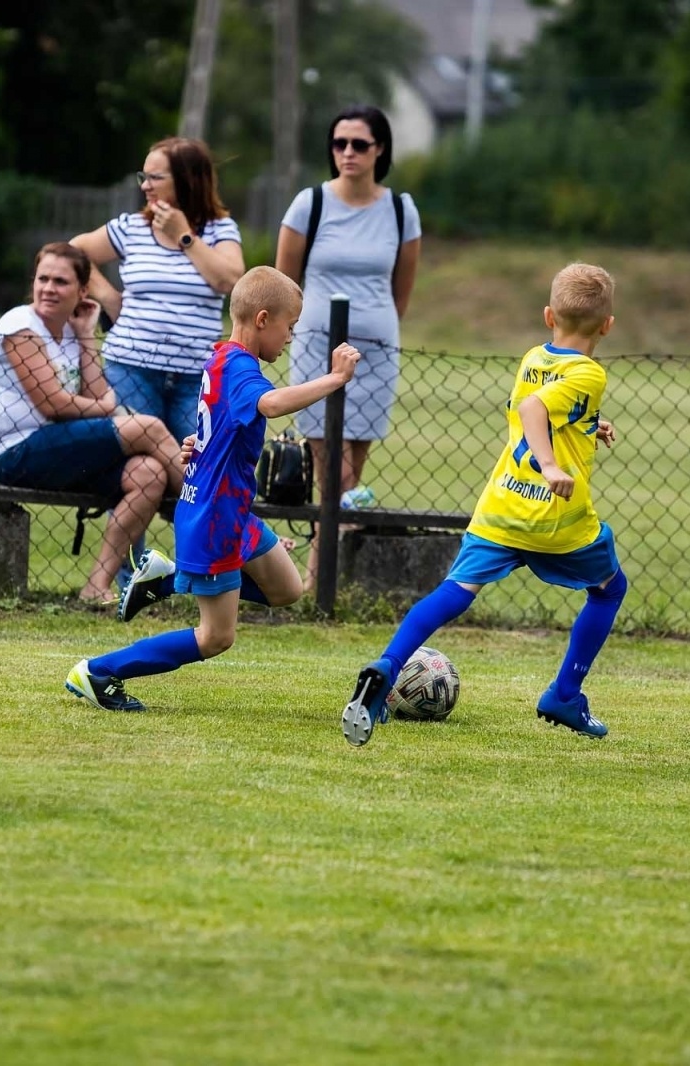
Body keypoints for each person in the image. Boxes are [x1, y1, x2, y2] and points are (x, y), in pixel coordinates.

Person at [340, 263, 624, 747]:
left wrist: (585, 425)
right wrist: (554, 467)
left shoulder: (535, 357)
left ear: (548, 315)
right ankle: (565, 694)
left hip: (500, 506)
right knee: (608, 588)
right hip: (555, 517)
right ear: (607, 325)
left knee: (454, 590)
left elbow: (532, 405)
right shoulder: (589, 372)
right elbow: (536, 411)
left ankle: (388, 666)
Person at [64, 266, 361, 712]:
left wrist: (199, 445)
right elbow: (272, 403)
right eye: (289, 327)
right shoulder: (243, 370)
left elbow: (218, 423)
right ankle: (99, 671)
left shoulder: (221, 357)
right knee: (216, 636)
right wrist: (334, 380)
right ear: (263, 319)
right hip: (214, 520)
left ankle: (171, 579)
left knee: (287, 591)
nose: (290, 338)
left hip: (230, 512)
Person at [0, 243, 186, 604]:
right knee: (147, 427)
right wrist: (104, 404)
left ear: (82, 291)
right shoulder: (20, 326)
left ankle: (96, 588)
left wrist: (87, 333)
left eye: (60, 281)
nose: (48, 288)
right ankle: (220, 516)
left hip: (58, 446)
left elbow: (93, 395)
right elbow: (54, 404)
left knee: (149, 473)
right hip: (17, 451)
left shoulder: (72, 332)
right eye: (43, 279)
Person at [275, 104, 422, 584]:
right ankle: (320, 577)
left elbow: (400, 291)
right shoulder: (310, 203)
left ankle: (326, 576)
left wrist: (373, 330)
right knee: (330, 462)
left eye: (359, 144)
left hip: (376, 352)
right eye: (339, 143)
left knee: (353, 458)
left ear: (380, 149)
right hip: (317, 347)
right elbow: (282, 283)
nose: (348, 153)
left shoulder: (400, 209)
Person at [69, 137, 245, 447]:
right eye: (143, 177)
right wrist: (109, 297)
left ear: (187, 180)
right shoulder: (131, 227)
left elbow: (229, 280)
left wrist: (184, 236)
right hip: (130, 370)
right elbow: (74, 252)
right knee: (141, 464)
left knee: (199, 460)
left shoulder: (220, 229)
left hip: (194, 378)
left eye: (155, 178)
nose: (145, 186)